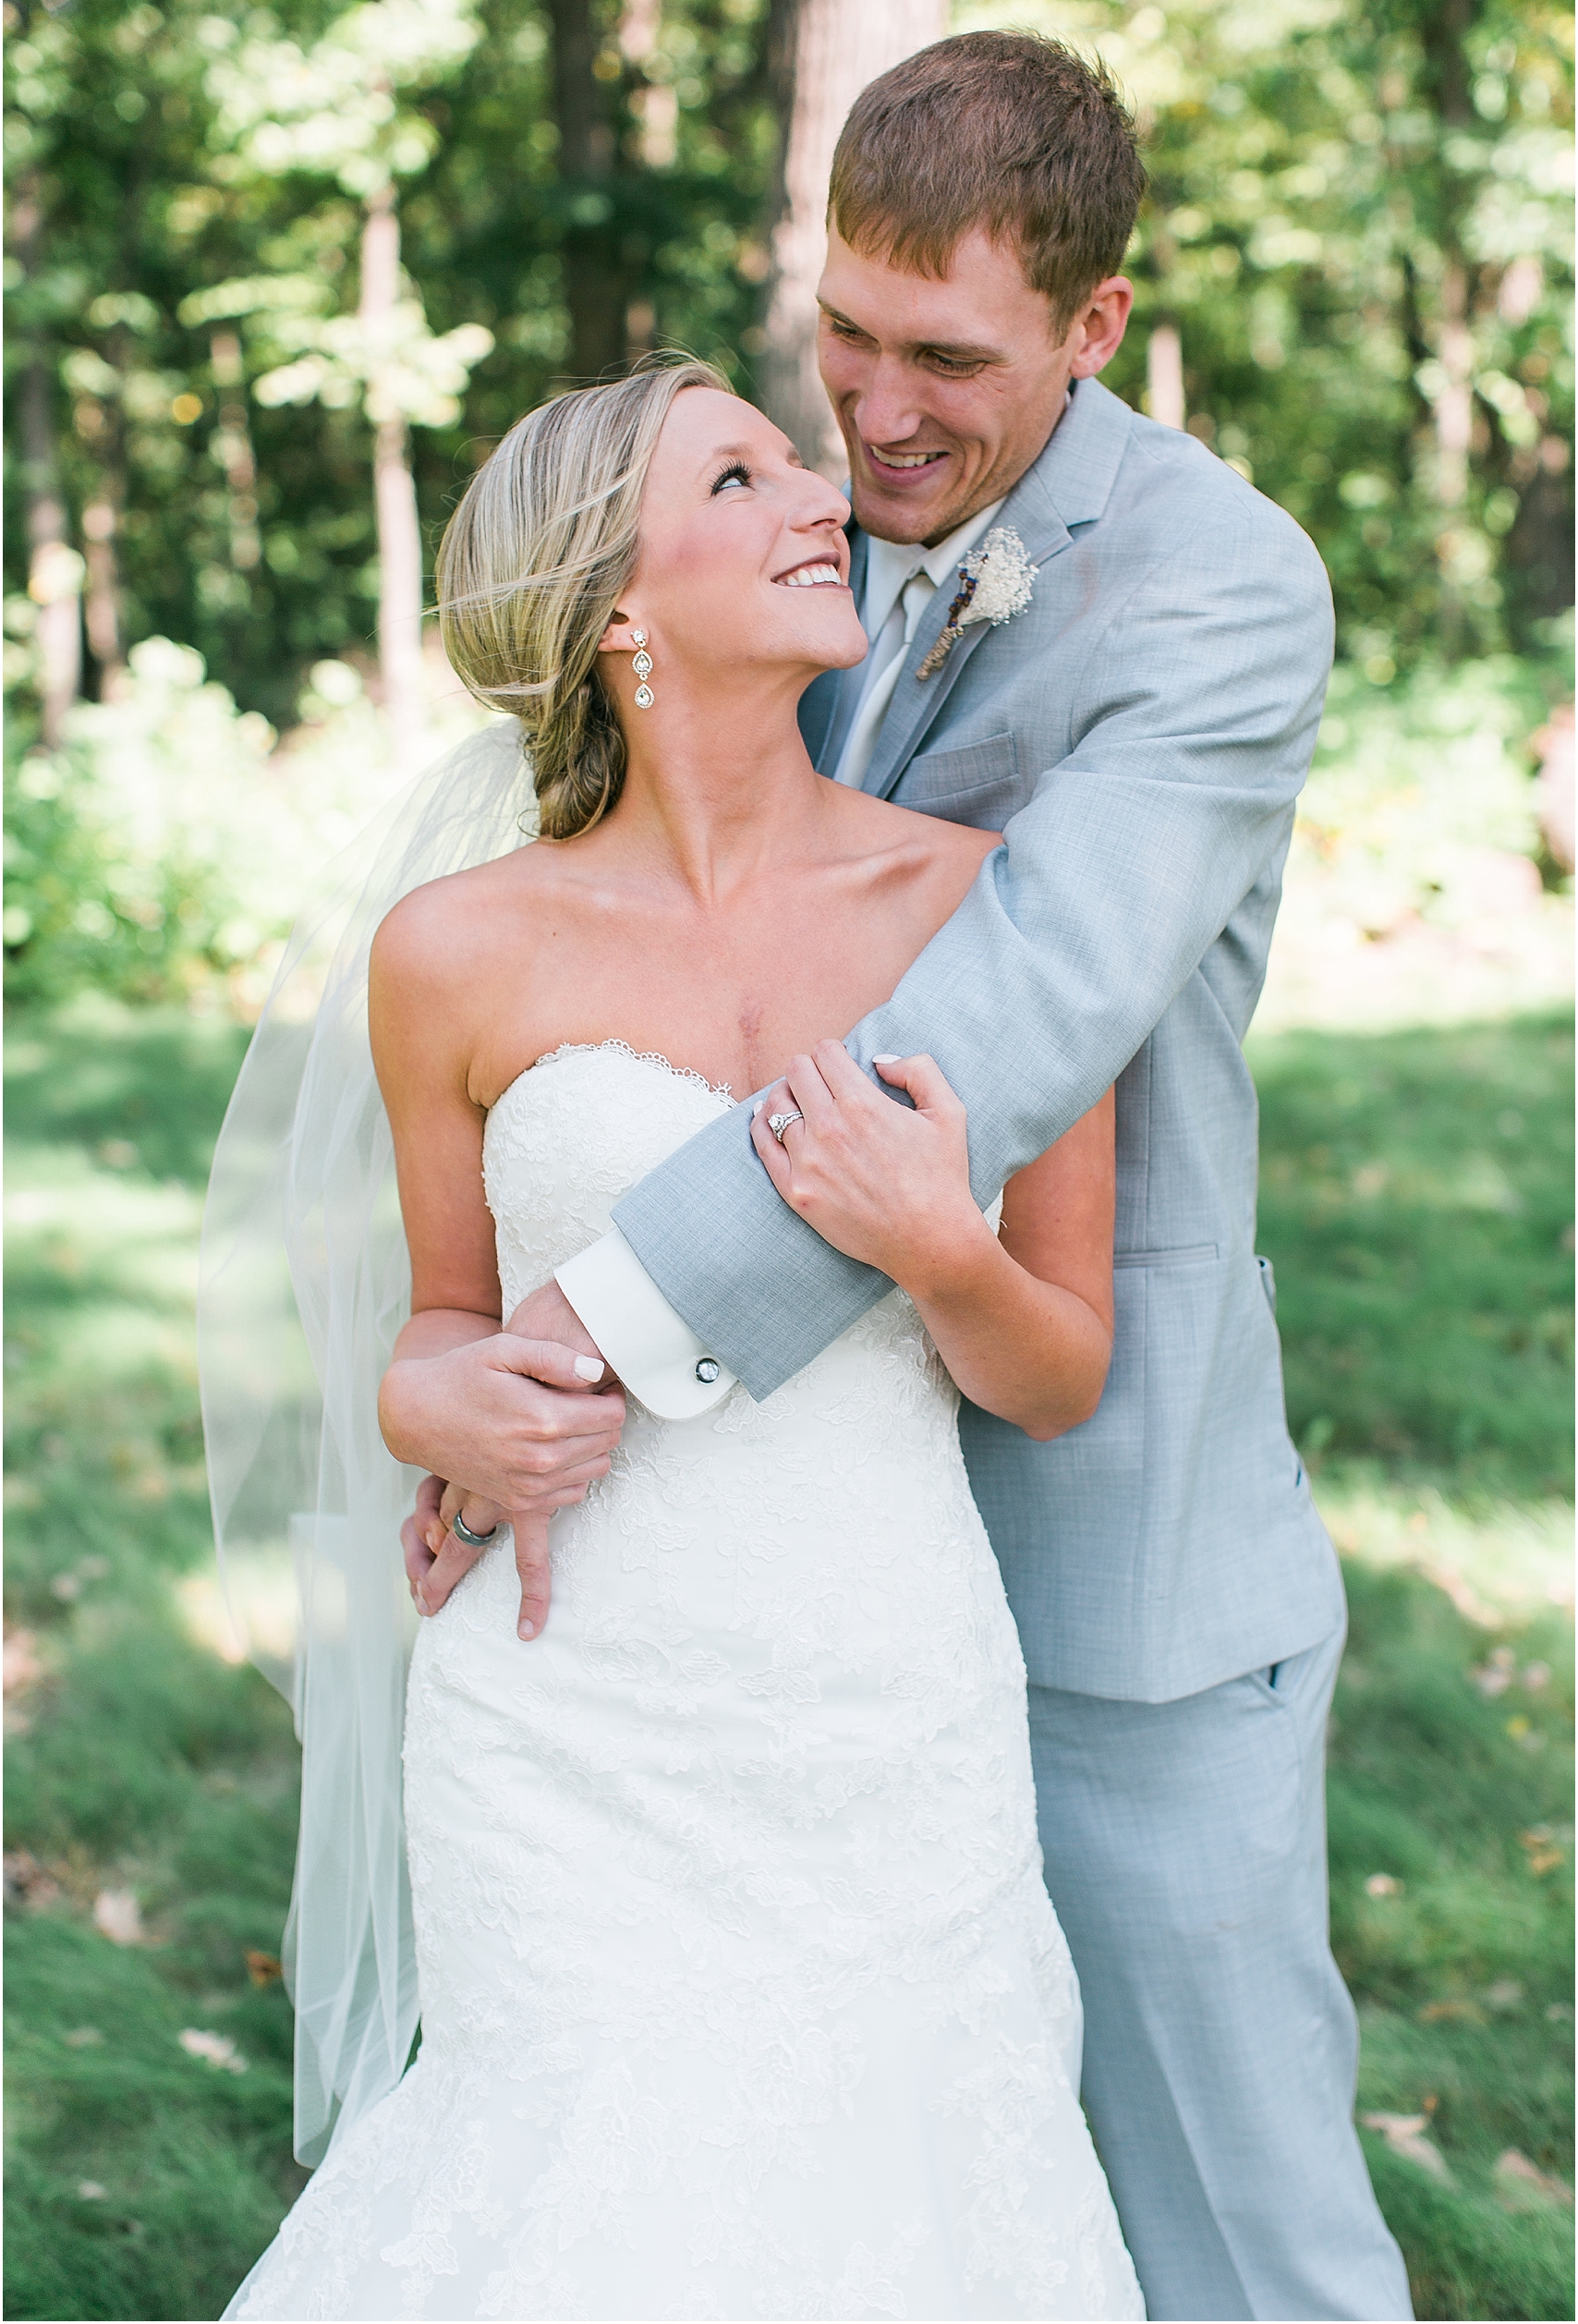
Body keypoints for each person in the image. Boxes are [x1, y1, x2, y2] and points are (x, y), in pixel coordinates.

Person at [385, 33, 1413, 2324]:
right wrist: (447, 1374)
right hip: (734, 1620)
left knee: (1224, 2239)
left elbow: (1013, 1011)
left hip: (1099, 1573)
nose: (869, 413)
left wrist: (575, 1336)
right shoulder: (809, 542)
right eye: (838, 335)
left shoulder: (1218, 593)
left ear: (1091, 328)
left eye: (942, 356)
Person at [222, 359, 1144, 2320]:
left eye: (793, 458)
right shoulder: (453, 952)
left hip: (884, 1706)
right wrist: (427, 1397)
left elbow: (1058, 1364)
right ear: (617, 609)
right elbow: (441, 1330)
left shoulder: (985, 909)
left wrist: (935, 1249)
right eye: (744, 471)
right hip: (565, 1722)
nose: (823, 489)